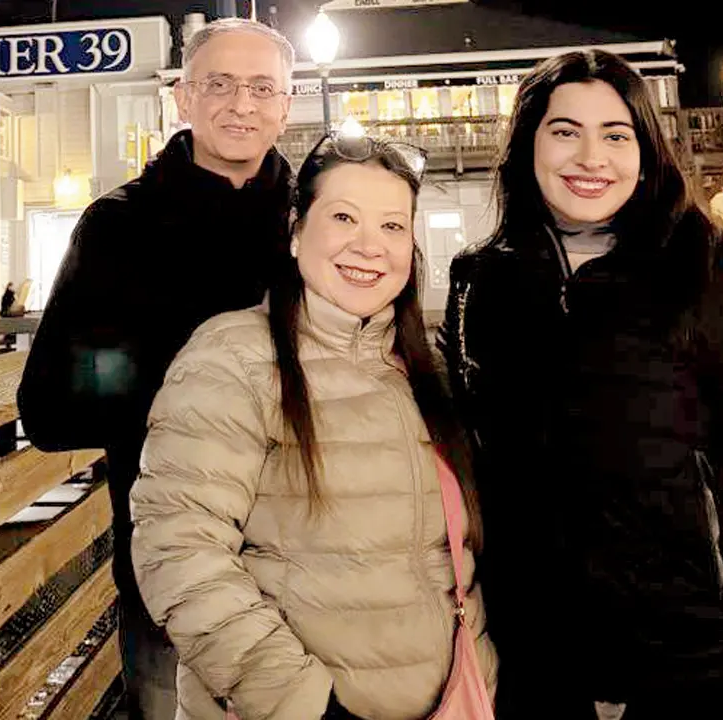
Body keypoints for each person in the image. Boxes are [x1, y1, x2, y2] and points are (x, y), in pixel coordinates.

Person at [439, 49, 723, 718]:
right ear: (528, 143)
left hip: (710, 659)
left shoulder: (702, 263)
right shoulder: (482, 279)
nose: (590, 157)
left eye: (615, 134)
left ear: (645, 147)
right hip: (545, 663)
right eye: (564, 130)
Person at [132, 135, 496, 719]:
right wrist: (303, 705)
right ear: (298, 232)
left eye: (392, 226)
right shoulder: (234, 356)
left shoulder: (419, 371)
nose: (369, 246)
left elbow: (448, 562)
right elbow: (179, 548)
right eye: (344, 217)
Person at [17, 18, 296, 720]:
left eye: (263, 87)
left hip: (310, 567)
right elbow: (50, 407)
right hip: (173, 576)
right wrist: (186, 392)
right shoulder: (119, 228)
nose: (242, 104)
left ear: (287, 105)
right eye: (220, 84)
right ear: (182, 98)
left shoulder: (316, 225)